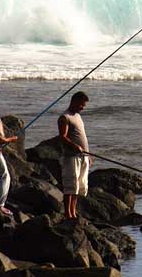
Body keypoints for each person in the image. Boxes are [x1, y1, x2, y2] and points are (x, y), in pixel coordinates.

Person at [58, 91, 91, 219]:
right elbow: (62, 137)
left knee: (79, 186)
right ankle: (68, 213)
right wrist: (75, 146)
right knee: (71, 186)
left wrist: (88, 156)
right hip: (71, 157)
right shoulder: (65, 117)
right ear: (75, 101)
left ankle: (74, 212)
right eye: (81, 105)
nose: (83, 108)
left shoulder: (78, 116)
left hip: (83, 157)